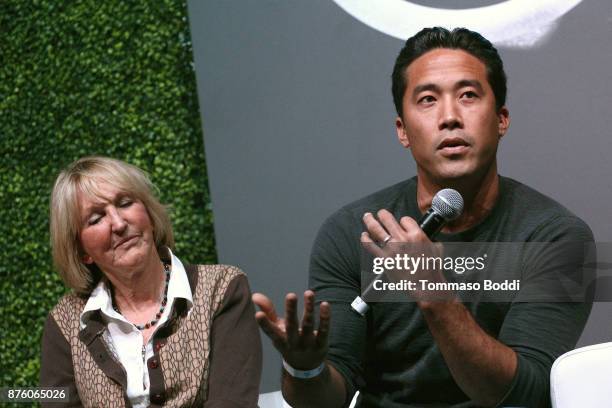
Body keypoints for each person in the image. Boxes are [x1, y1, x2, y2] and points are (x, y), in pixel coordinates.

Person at [253, 27, 593, 407]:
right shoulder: (353, 233)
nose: (449, 117)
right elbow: (329, 398)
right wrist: (305, 369)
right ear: (402, 130)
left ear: (501, 119)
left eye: (468, 95)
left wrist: (434, 291)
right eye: (428, 99)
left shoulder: (557, 237)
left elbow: (523, 394)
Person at [40, 156, 261, 407]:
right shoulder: (65, 321)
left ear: (149, 214)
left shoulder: (221, 288)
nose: (119, 223)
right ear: (82, 251)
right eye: (96, 219)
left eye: (125, 203)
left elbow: (232, 402)